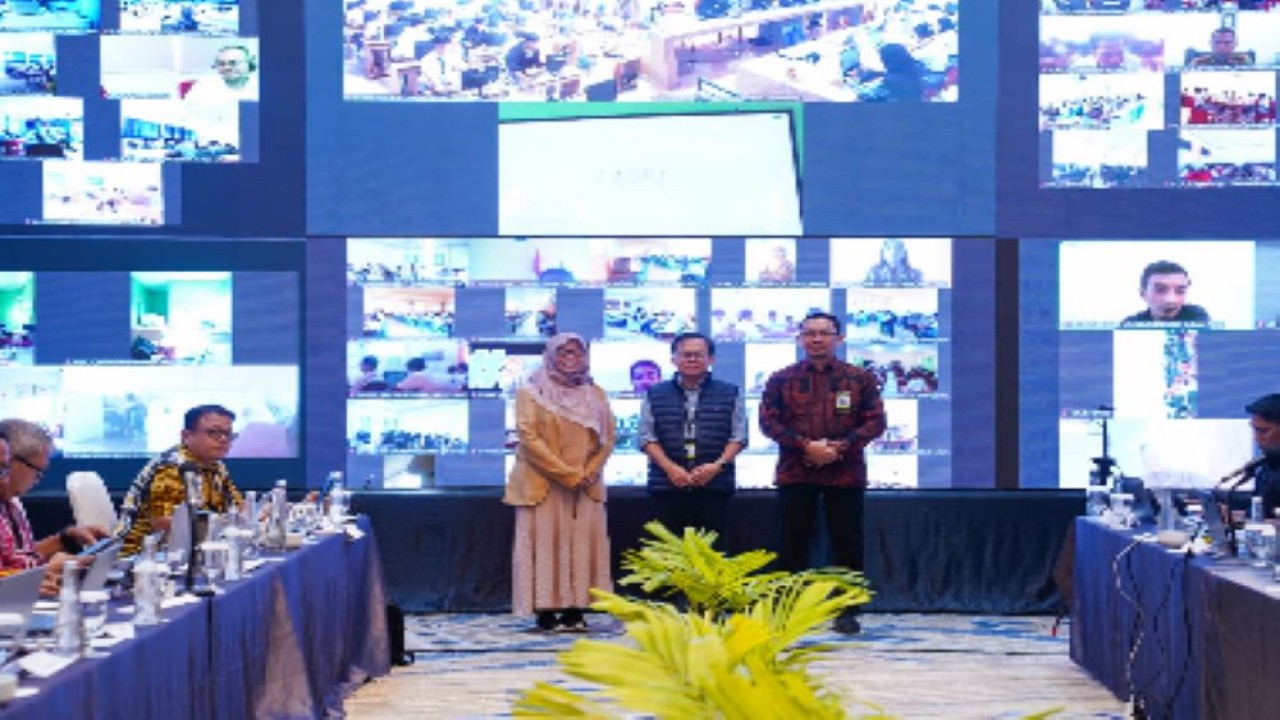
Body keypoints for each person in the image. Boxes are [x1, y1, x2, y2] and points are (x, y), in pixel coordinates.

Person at [759, 312, 887, 635]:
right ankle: (786, 610)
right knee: (792, 543)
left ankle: (847, 611)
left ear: (839, 338)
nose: (817, 339)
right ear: (801, 338)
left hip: (845, 474)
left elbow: (875, 421)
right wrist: (806, 446)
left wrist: (839, 448)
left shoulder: (859, 378)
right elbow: (768, 422)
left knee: (847, 544)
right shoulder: (781, 379)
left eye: (824, 333)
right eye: (810, 333)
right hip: (796, 472)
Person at [504, 333, 615, 633]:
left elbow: (608, 437)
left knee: (580, 545)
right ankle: (545, 612)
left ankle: (575, 609)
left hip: (585, 485)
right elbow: (528, 438)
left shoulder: (595, 393)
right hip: (543, 483)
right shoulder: (531, 391)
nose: (570, 358)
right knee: (545, 544)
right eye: (564, 352)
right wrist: (567, 473)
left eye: (577, 352)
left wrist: (590, 470)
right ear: (551, 355)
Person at [639, 333, 746, 543]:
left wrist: (716, 466)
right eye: (686, 355)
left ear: (711, 359)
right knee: (666, 552)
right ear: (674, 359)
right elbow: (646, 438)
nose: (692, 359)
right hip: (667, 485)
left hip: (714, 485)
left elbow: (739, 436)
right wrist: (671, 469)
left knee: (712, 552)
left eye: (698, 355)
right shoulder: (654, 393)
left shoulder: (731, 393)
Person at [116, 404, 244, 556]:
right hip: (142, 557)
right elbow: (164, 523)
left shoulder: (216, 467)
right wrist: (222, 523)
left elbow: (238, 508)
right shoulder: (171, 467)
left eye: (228, 434)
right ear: (186, 436)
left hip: (190, 551)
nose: (223, 439)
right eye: (214, 432)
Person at [0, 419, 109, 595]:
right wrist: (36, 574)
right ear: (12, 460)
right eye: (38, 472)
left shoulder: (11, 504)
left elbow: (17, 557)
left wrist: (64, 540)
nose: (5, 479)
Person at [1119, 260, 1211, 325]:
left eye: (1180, 291)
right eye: (1160, 290)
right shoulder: (1131, 324)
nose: (1170, 300)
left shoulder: (1196, 318)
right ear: (1143, 294)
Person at [183, 44, 259, 103]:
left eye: (233, 63)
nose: (227, 67)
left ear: (249, 65)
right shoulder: (203, 86)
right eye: (221, 64)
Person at [1244, 394, 1280, 517]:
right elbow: (1261, 511)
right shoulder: (1270, 465)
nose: (1257, 438)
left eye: (1263, 431)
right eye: (1255, 430)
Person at [1189, 27, 1253, 68]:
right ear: (1210, 44)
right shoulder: (1198, 63)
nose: (1222, 47)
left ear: (1235, 44)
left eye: (1227, 43)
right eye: (1218, 42)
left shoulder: (1243, 61)